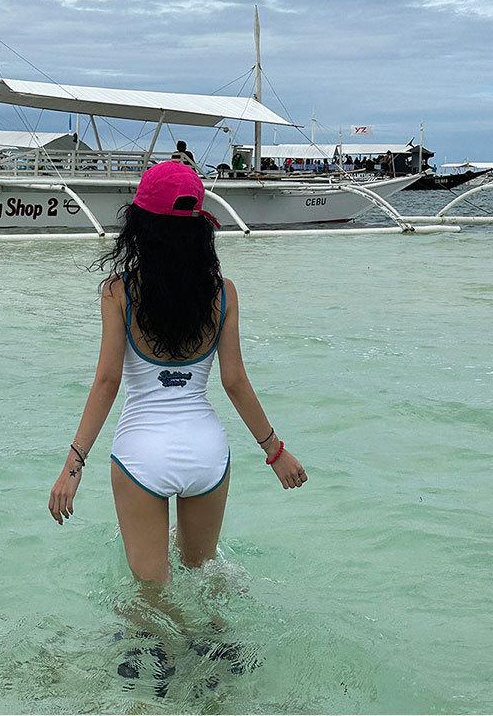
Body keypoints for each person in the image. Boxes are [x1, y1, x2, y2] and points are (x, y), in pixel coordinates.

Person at [48, 163, 307, 644]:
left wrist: (73, 465)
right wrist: (277, 452)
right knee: (204, 578)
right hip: (208, 454)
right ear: (200, 228)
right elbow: (234, 381)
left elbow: (107, 381)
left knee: (151, 594)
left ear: (140, 225)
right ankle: (218, 659)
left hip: (141, 456)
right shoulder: (223, 293)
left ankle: (158, 672)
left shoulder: (118, 292)